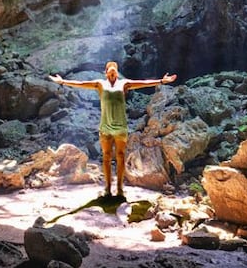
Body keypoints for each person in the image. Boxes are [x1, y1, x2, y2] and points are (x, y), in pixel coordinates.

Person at [50, 61, 177, 199]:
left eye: (114, 70)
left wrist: (161, 81)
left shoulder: (124, 84)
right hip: (105, 126)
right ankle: (108, 188)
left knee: (121, 156)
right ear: (105, 73)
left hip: (120, 126)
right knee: (106, 157)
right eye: (110, 70)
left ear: (117, 73)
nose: (112, 72)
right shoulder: (100, 84)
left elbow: (143, 82)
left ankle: (120, 188)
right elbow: (81, 83)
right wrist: (63, 81)